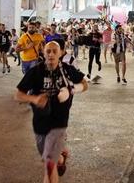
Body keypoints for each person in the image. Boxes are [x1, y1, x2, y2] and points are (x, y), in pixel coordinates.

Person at [15, 41, 88, 183]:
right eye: (48, 51)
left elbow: (85, 84)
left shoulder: (67, 70)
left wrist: (71, 90)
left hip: (59, 123)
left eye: (55, 51)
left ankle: (56, 159)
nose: (51, 54)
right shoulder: (35, 72)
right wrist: (34, 99)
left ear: (61, 53)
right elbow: (18, 94)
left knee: (49, 164)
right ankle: (61, 156)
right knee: (48, 157)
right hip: (40, 123)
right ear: (43, 52)